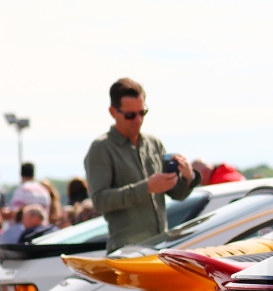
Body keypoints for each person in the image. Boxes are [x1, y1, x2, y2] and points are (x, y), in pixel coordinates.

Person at [84, 77, 196, 252]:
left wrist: (189, 178)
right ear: (113, 112)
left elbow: (176, 194)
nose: (138, 120)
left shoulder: (153, 143)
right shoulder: (101, 148)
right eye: (130, 115)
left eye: (142, 113)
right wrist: (147, 187)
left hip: (160, 248)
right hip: (126, 252)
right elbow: (99, 201)